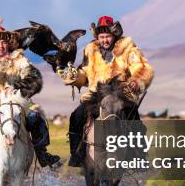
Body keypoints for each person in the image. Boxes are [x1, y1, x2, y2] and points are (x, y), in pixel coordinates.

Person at [0, 19, 61, 176]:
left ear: (9, 44)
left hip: (15, 101)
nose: (1, 45)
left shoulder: (19, 59)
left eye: (4, 42)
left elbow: (34, 78)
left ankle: (42, 153)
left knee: (35, 117)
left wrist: (18, 87)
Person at [61, 15, 154, 167]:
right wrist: (74, 76)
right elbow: (84, 72)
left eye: (108, 36)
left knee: (134, 120)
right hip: (95, 95)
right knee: (76, 116)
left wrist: (137, 81)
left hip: (120, 94)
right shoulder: (91, 50)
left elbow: (141, 67)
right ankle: (76, 154)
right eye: (101, 36)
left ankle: (139, 157)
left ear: (114, 35)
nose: (104, 40)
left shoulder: (128, 49)